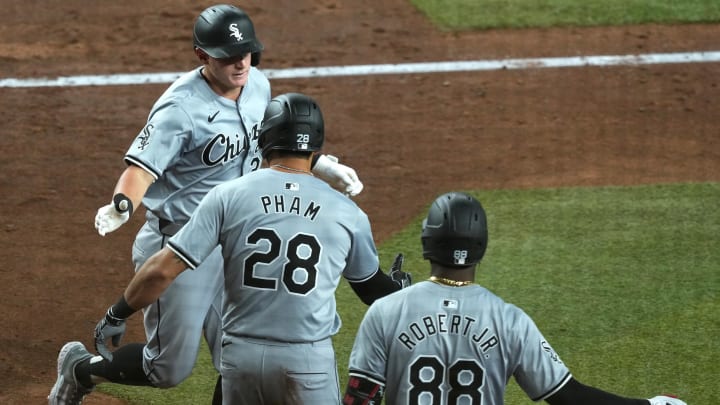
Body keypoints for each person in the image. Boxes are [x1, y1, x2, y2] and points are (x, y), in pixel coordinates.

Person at [48, 5, 364, 405]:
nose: (240, 63)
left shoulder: (259, 87)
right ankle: (80, 368)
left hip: (235, 242)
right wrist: (123, 204)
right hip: (181, 243)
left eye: (246, 53)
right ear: (202, 55)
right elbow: (140, 170)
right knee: (167, 369)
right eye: (228, 56)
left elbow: (273, 142)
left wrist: (322, 164)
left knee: (237, 354)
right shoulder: (179, 109)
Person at [50, 92, 411, 405]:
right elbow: (371, 290)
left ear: (264, 138)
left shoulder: (228, 196)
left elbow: (162, 269)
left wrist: (117, 313)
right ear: (316, 146)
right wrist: (399, 289)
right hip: (307, 360)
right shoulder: (348, 212)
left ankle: (82, 370)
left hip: (240, 356)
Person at [342, 191, 687, 405]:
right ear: (482, 246)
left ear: (427, 243)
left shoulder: (385, 311)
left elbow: (360, 397)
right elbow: (568, 396)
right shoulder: (509, 319)